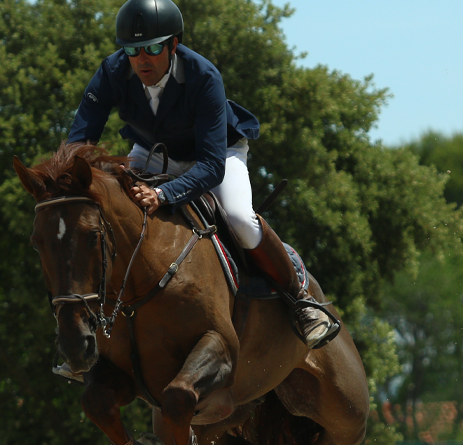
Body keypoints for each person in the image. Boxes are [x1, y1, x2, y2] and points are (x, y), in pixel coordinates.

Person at [65, 0, 338, 351]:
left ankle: (300, 301)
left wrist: (162, 195)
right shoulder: (112, 71)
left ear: (173, 43)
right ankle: (87, 324)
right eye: (132, 50)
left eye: (152, 48)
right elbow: (80, 140)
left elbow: (211, 166)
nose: (142, 59)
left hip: (217, 154)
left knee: (239, 217)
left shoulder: (203, 75)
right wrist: (66, 183)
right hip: (151, 152)